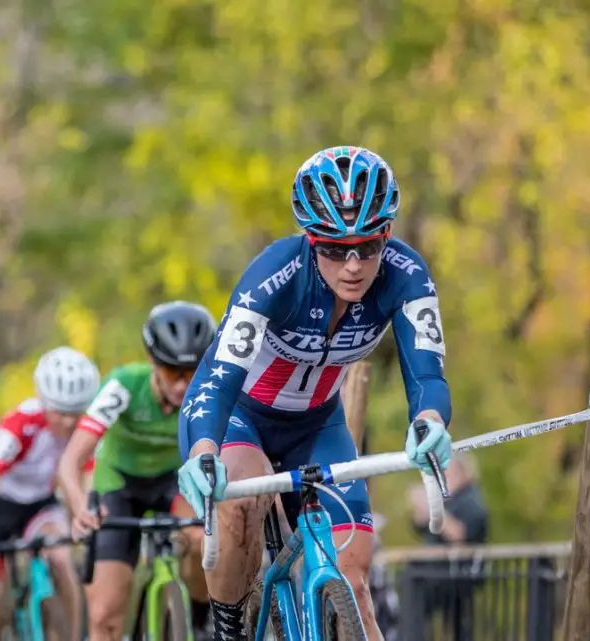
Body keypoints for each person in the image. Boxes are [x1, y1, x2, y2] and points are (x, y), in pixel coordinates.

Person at [174, 146, 455, 641]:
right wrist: (203, 449)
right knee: (241, 505)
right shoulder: (275, 274)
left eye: (367, 247)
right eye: (332, 248)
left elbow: (427, 374)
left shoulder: (406, 275)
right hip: (241, 417)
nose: (352, 265)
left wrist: (429, 420)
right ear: (310, 240)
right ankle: (227, 629)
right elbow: (218, 378)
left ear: (386, 235)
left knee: (356, 578)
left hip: (319, 426)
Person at [58, 301, 217, 641]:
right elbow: (71, 460)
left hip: (172, 483)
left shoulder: (208, 394)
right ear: (152, 363)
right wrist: (79, 506)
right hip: (119, 485)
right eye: (173, 372)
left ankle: (201, 618)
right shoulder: (123, 386)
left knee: (204, 541)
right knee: (104, 616)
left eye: (192, 374)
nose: (182, 386)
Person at [0, 346, 100, 641]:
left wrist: (86, 518)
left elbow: (88, 480)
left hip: (40, 507)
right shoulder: (17, 426)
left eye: (76, 412)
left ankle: (76, 635)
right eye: (60, 412)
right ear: (44, 402)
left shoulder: (86, 430)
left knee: (61, 557)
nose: (69, 422)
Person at [405, 452, 489, 641]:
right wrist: (421, 509)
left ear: (462, 472)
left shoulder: (471, 499)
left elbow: (460, 533)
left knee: (458, 625)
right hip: (438, 574)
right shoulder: (449, 498)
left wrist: (431, 508)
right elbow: (422, 527)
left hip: (457, 575)